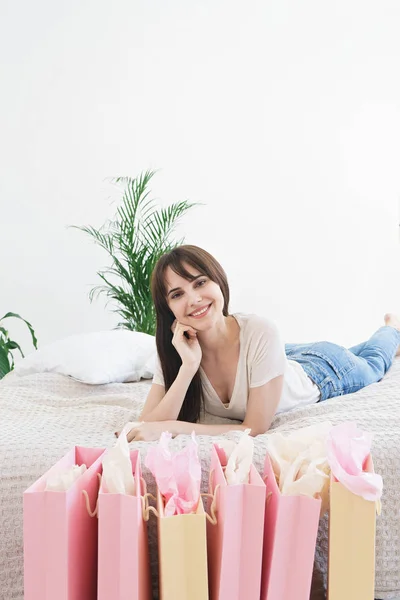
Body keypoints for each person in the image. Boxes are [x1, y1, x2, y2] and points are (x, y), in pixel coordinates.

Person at [119, 245, 400, 442]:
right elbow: (147, 425)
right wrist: (189, 366)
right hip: (281, 358)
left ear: (218, 282)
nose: (193, 299)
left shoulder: (260, 331)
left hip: (323, 372)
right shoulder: (176, 348)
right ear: (168, 308)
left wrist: (173, 429)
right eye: (177, 294)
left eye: (200, 283)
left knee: (373, 363)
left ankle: (391, 327)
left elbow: (253, 429)